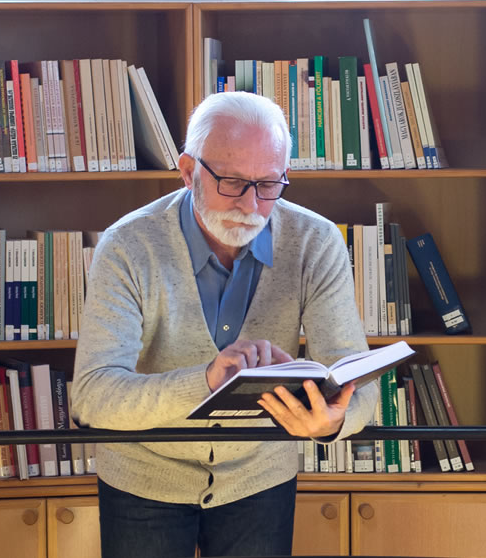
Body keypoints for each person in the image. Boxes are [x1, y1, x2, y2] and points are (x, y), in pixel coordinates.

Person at [71, 90, 375, 557]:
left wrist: (335, 420)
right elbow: (93, 397)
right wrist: (206, 382)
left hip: (259, 474)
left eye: (270, 184)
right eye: (232, 182)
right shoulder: (128, 246)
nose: (251, 205)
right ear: (189, 171)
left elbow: (358, 380)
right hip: (145, 475)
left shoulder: (316, 242)